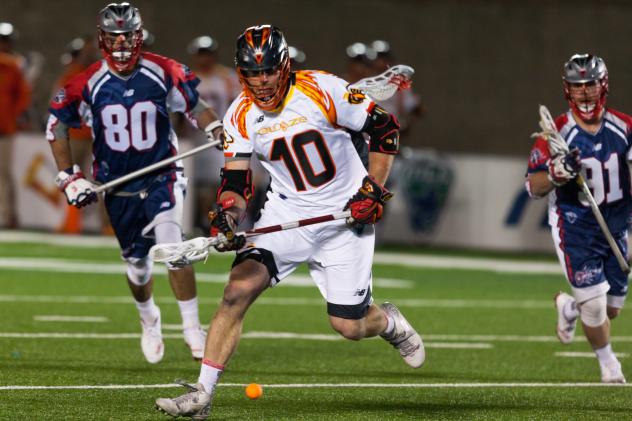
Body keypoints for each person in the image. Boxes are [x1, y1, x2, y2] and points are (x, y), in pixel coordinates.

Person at [155, 24, 424, 419]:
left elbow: (385, 130)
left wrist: (372, 190)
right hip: (288, 214)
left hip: (344, 217)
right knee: (236, 290)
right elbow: (235, 181)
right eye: (252, 73)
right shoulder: (241, 114)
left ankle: (388, 323)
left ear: (283, 66)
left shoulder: (323, 89)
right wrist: (227, 216)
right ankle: (201, 394)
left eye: (268, 71)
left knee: (348, 326)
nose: (262, 81)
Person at [45, 2, 224, 364]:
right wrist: (69, 177)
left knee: (173, 246)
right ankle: (149, 319)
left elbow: (196, 104)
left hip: (162, 175)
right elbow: (57, 126)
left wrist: (214, 126)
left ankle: (192, 328)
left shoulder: (164, 70)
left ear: (139, 36)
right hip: (118, 185)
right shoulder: (87, 82)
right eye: (115, 37)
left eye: (128, 35)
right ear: (102, 39)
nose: (123, 43)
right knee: (137, 266)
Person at [526, 53, 629, 383]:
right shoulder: (555, 133)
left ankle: (570, 307)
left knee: (611, 308)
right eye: (577, 86)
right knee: (596, 309)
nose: (585, 93)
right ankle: (608, 363)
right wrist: (556, 173)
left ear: (604, 85)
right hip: (576, 225)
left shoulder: (625, 127)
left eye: (590, 85)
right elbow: (533, 186)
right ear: (567, 89)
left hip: (618, 223)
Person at [0, 36, 31, 229]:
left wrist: (11, 117)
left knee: (3, 173)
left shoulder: (12, 66)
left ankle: (8, 215)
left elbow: (23, 96)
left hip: (3, 129)